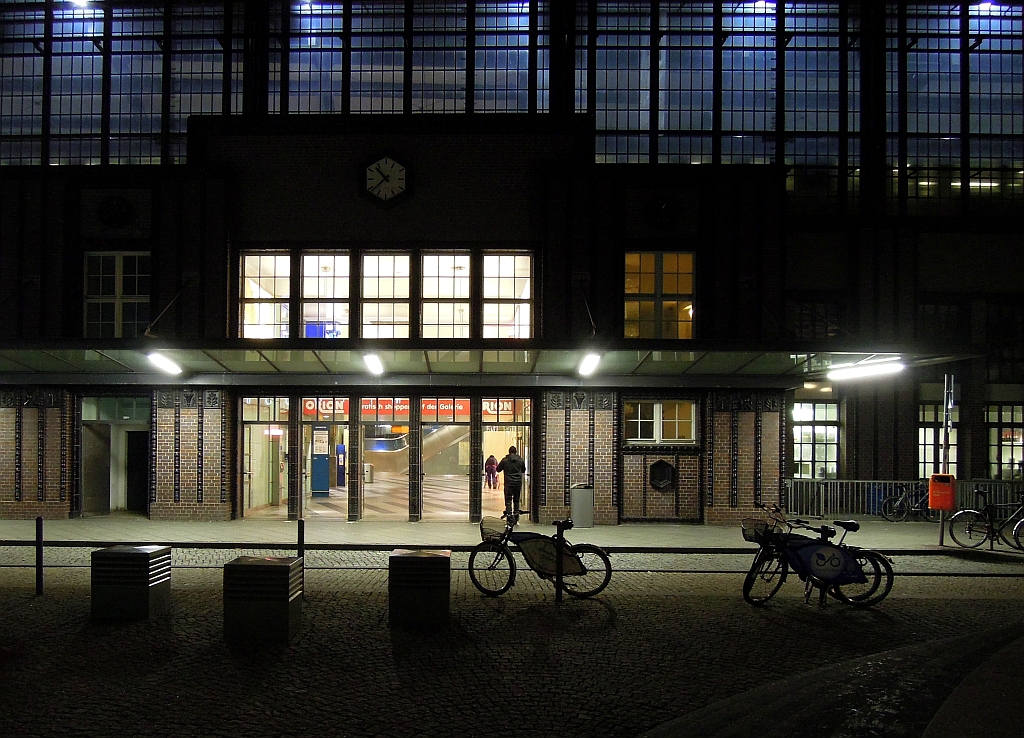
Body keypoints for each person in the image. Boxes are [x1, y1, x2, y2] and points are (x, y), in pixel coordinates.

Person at [496, 446, 526, 516]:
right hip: (518, 483)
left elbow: (498, 469)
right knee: (516, 500)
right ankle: (516, 516)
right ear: (516, 452)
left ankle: (509, 516)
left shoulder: (505, 460)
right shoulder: (520, 460)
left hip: (508, 483)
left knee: (508, 500)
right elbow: (523, 470)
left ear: (509, 452)